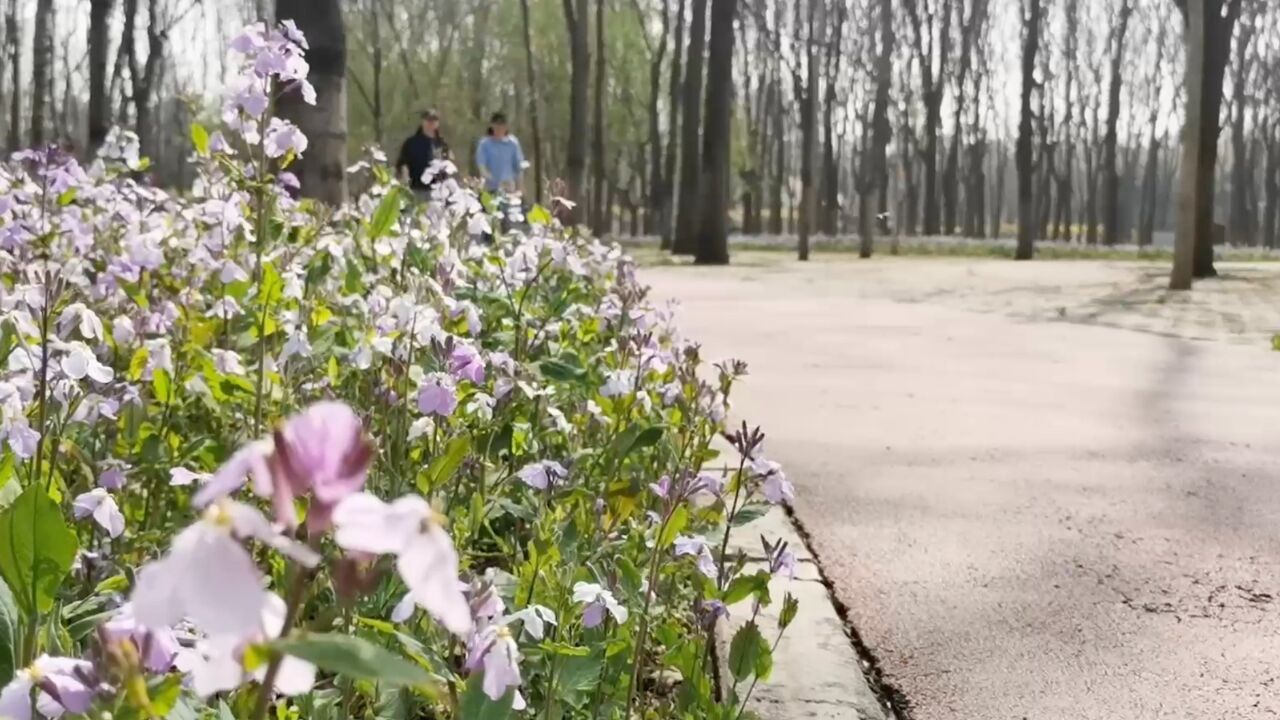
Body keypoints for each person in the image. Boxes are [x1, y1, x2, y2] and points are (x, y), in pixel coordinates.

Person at [396, 110, 449, 194]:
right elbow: (403, 163)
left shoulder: (442, 144)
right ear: (423, 122)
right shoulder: (412, 143)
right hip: (417, 189)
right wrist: (405, 180)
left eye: (434, 120)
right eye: (428, 120)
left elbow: (448, 165)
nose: (430, 123)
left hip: (438, 191)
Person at [475, 112, 525, 195]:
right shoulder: (484, 144)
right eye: (497, 125)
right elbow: (482, 169)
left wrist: (519, 188)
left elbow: (519, 168)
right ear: (492, 126)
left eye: (502, 125)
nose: (499, 128)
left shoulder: (512, 143)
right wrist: (497, 182)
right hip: (490, 190)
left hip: (510, 189)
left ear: (506, 126)